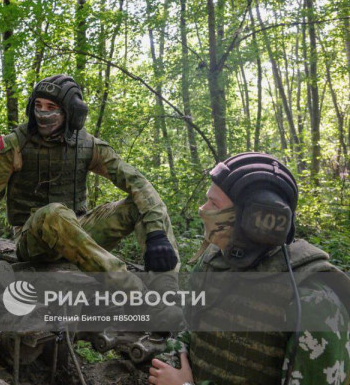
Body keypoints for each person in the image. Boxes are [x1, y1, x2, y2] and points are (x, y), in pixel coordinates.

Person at [0, 74, 179, 277]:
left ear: (71, 113)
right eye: (38, 106)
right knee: (54, 213)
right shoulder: (15, 145)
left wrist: (156, 233)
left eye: (51, 108)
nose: (43, 113)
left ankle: (166, 295)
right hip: (34, 240)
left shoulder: (87, 146)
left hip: (77, 230)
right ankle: (127, 287)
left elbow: (135, 181)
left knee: (145, 203)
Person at [149, 152, 350, 385]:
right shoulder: (213, 262)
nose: (202, 209)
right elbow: (188, 332)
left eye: (214, 204)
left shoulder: (312, 300)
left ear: (255, 219)